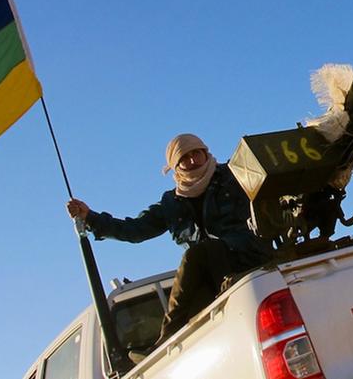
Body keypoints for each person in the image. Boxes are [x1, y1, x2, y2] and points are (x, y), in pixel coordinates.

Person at [66, 133, 273, 349]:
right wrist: (90, 218)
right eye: (185, 158)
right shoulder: (171, 203)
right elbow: (135, 230)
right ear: (175, 167)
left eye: (196, 153)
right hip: (214, 275)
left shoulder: (234, 175)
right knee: (197, 322)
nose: (193, 161)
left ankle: (165, 338)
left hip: (247, 253)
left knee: (197, 253)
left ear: (206, 152)